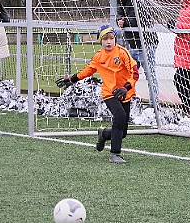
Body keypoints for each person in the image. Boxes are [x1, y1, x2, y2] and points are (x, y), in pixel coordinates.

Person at [55, 25, 139, 164]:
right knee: (120, 116)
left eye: (111, 38)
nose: (108, 41)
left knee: (122, 132)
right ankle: (115, 154)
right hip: (109, 93)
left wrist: (125, 88)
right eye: (105, 39)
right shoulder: (98, 57)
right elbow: (86, 71)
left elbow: (134, 72)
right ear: (100, 41)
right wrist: (70, 80)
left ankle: (104, 134)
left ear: (115, 39)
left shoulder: (123, 53)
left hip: (125, 92)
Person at [113, 0, 159, 107]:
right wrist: (120, 21)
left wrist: (124, 22)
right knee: (128, 74)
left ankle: (154, 104)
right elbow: (119, 17)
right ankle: (127, 99)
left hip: (146, 44)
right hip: (133, 45)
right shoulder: (120, 4)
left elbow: (135, 20)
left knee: (150, 74)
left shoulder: (135, 2)